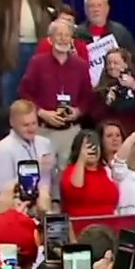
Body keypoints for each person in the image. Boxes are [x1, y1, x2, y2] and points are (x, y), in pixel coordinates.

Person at [18, 19, 92, 169]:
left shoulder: (81, 66)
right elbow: (24, 92)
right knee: (43, 174)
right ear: (50, 39)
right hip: (44, 130)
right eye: (59, 35)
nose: (63, 39)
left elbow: (88, 96)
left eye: (67, 35)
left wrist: (78, 111)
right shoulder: (37, 63)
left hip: (70, 131)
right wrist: (42, 112)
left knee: (68, 177)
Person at [0, 99, 55, 199]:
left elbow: (52, 179)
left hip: (45, 207)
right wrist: (34, 169)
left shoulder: (45, 143)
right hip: (17, 209)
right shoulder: (2, 149)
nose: (31, 129)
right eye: (26, 125)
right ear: (12, 123)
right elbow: (1, 190)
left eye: (34, 123)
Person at [61, 130, 120, 218]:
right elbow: (74, 194)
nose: (93, 150)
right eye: (88, 146)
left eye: (96, 146)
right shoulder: (71, 171)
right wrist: (82, 159)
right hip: (83, 227)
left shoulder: (104, 171)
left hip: (108, 227)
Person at [100, 121, 135, 215]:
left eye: (118, 135)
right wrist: (133, 138)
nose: (115, 139)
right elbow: (119, 163)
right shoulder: (122, 173)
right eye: (109, 136)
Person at [94, 47, 135, 137]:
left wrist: (134, 86)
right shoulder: (100, 89)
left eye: (116, 63)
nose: (112, 67)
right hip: (112, 138)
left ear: (126, 65)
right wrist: (107, 103)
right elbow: (96, 118)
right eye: (109, 63)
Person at [78, 0, 135, 66]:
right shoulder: (77, 34)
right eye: (92, 6)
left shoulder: (119, 31)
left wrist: (123, 60)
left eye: (99, 5)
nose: (96, 9)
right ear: (85, 10)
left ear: (107, 8)